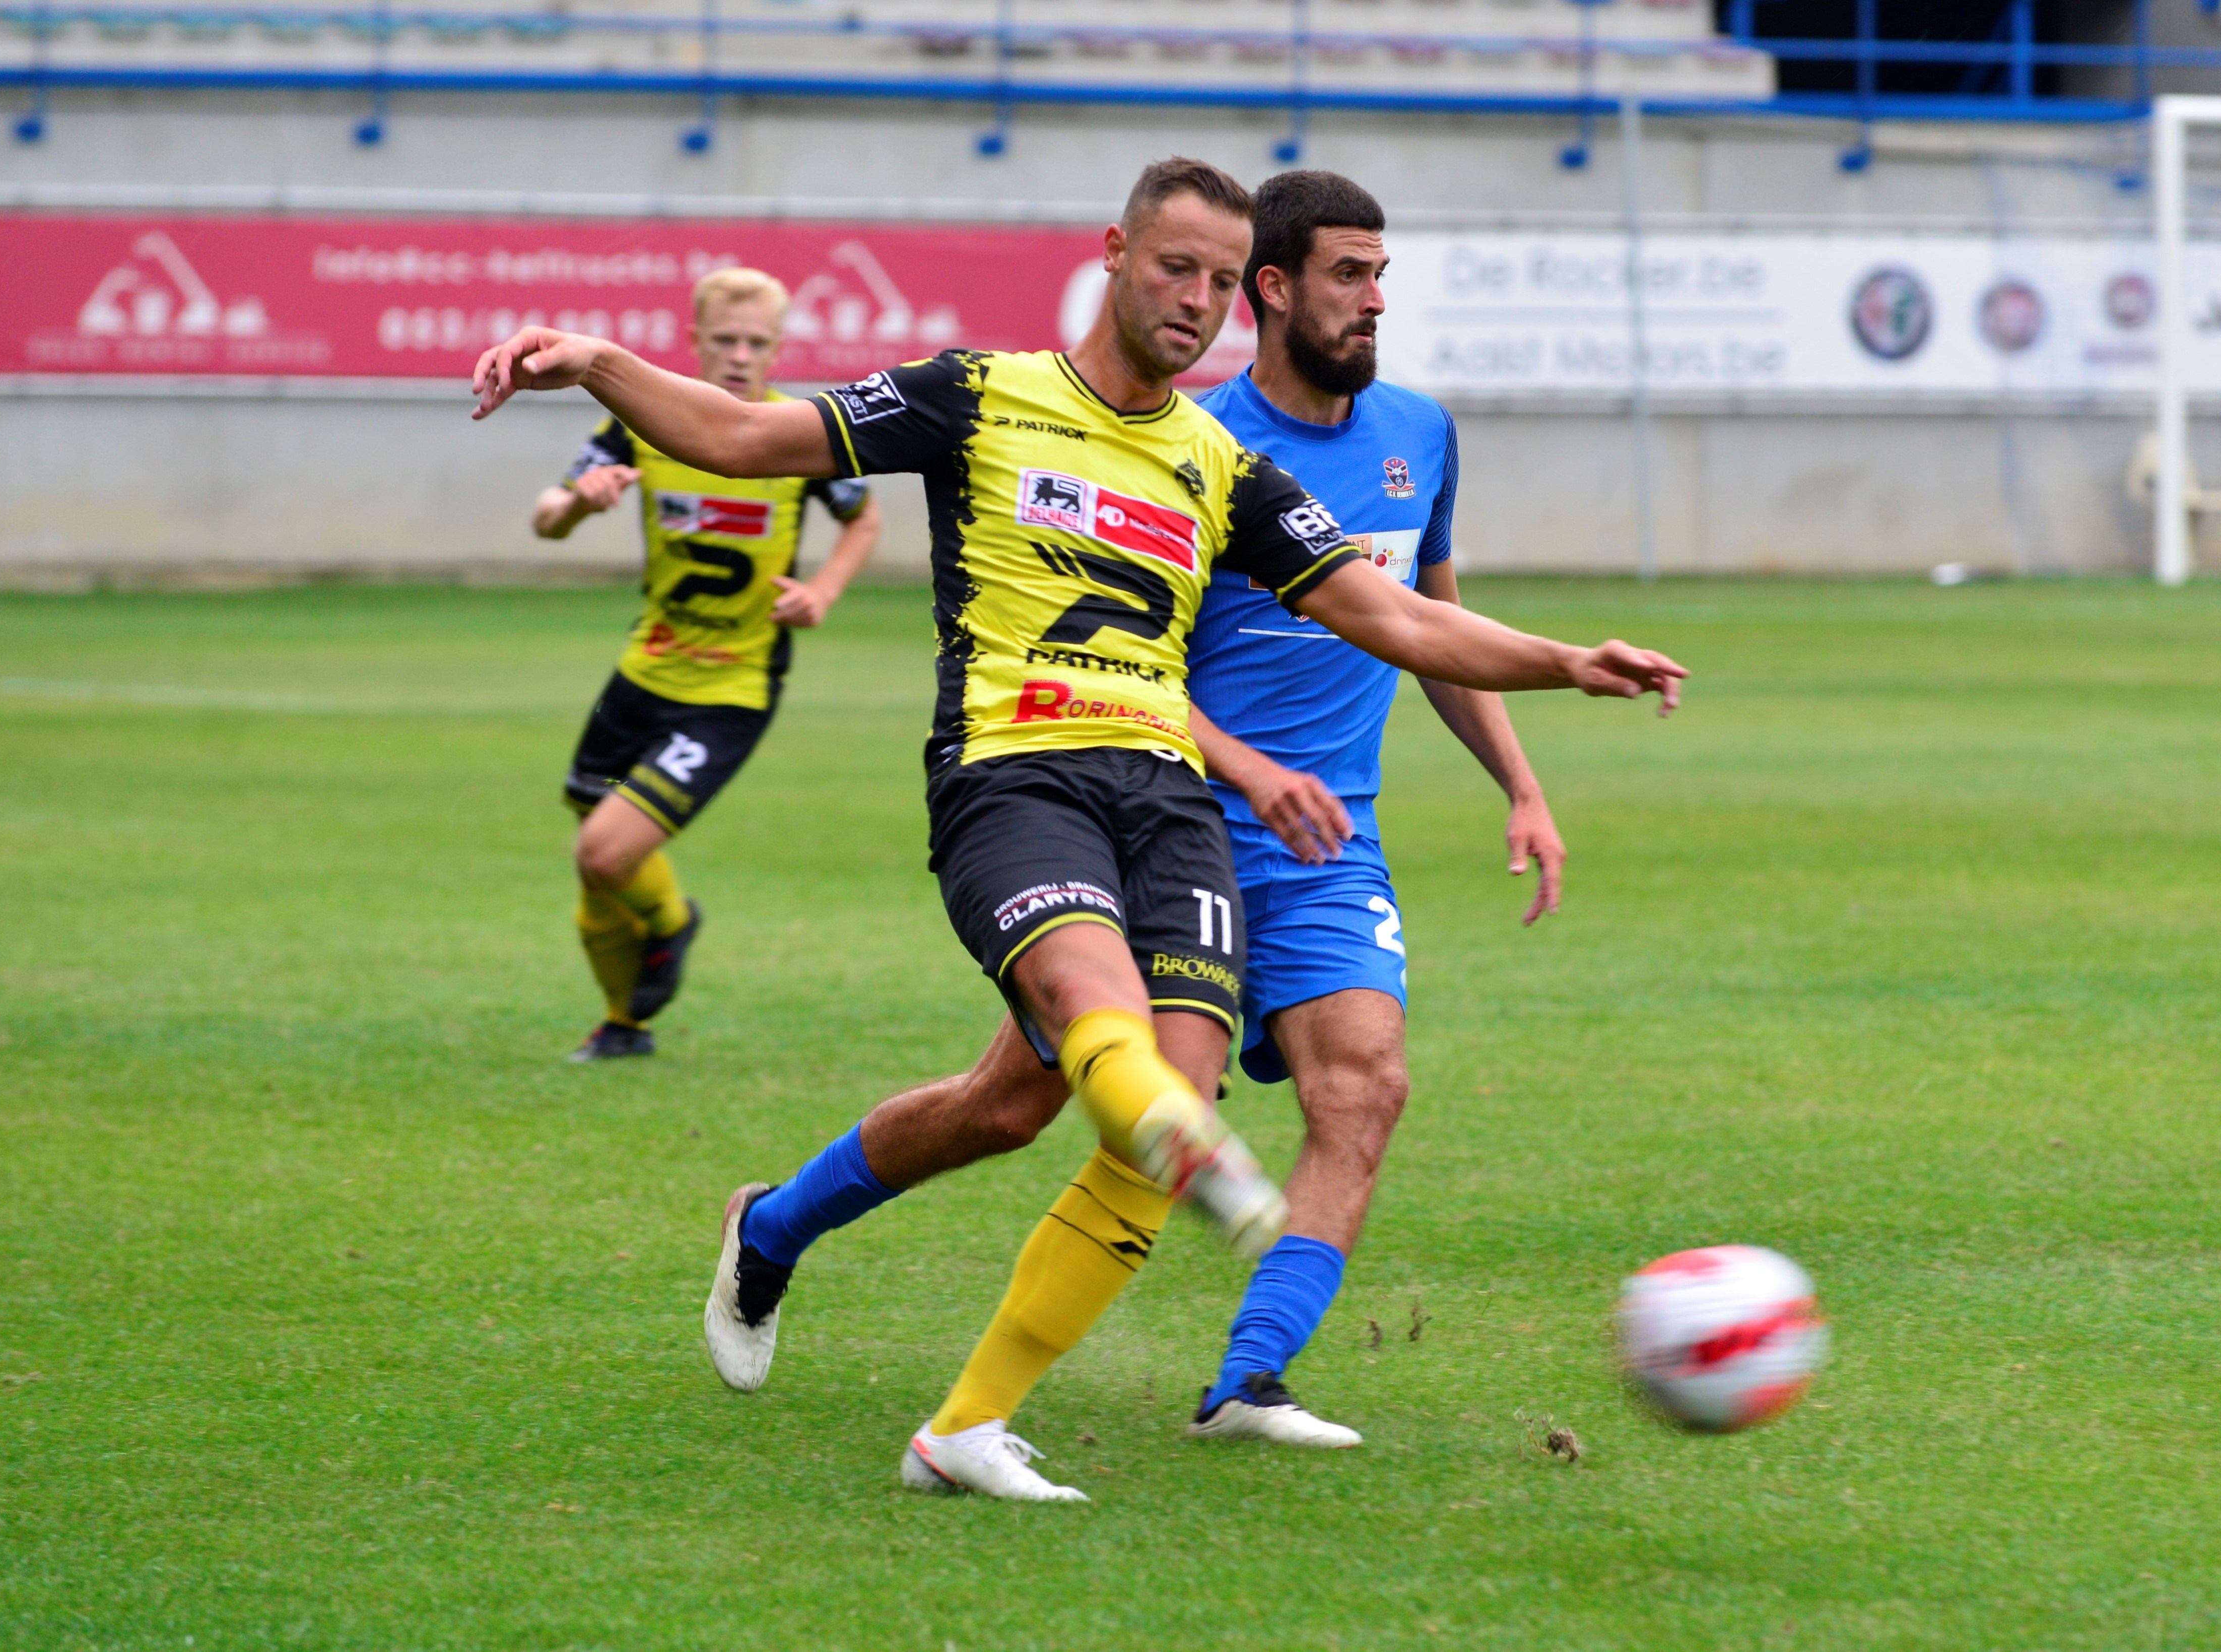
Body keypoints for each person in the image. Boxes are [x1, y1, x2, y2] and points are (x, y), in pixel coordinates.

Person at [468, 156, 1687, 1503]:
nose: (1199, 303)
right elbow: (748, 436)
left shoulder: (1222, 463)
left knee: (1060, 1112)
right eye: (1177, 269)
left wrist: (1569, 660)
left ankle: (962, 1426)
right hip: (1015, 775)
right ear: (1114, 253)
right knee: (1110, 1051)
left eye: (1223, 284)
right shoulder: (977, 394)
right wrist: (593, 361)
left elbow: (1396, 616)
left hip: (1167, 802)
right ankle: (1161, 1160)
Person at [1178, 169, 1561, 1449]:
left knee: (1365, 1087)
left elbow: (1427, 626)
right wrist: (1243, 766)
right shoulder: (1192, 444)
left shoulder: (1422, 430)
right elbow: (1123, 671)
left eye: (1382, 273)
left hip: (1329, 843)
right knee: (1021, 1102)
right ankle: (777, 1222)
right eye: (1349, 273)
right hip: (1169, 828)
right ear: (1272, 289)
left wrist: (1519, 783)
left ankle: (1251, 1379)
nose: (1374, 299)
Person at [531, 267, 882, 1062]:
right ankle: (625, 1024)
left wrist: (823, 589)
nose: (739, 355)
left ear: (778, 349)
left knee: (605, 852)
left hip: (731, 689)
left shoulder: (798, 430)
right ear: (692, 342)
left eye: (757, 343)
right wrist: (581, 502)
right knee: (599, 863)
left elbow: (864, 520)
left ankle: (672, 924)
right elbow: (545, 518)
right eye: (724, 340)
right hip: (644, 669)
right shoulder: (644, 421)